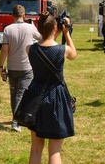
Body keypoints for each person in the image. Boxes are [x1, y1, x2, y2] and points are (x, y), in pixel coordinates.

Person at [26, 12, 77, 164]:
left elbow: (43, 43)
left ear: (38, 27)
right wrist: (66, 33)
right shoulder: (63, 50)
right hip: (56, 98)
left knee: (36, 148)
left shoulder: (30, 49)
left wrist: (51, 31)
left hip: (35, 97)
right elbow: (73, 54)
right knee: (55, 150)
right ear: (56, 28)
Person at [0, 5, 42, 132]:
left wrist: (1, 66)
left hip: (12, 67)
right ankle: (16, 120)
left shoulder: (8, 29)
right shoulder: (30, 27)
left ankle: (18, 118)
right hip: (26, 67)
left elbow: (4, 49)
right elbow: (42, 38)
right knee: (21, 94)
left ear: (12, 15)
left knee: (14, 93)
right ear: (24, 15)